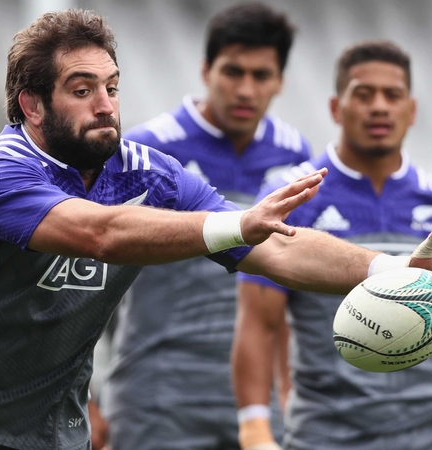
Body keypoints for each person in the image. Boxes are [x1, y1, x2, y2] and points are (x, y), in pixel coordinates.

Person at [0, 11, 432, 450]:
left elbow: (275, 250)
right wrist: (234, 224)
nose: (106, 105)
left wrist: (388, 270)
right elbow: (101, 235)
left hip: (51, 434)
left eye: (112, 87)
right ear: (30, 104)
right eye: (81, 90)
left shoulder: (149, 171)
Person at [233, 41, 432, 450]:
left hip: (427, 438)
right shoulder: (294, 196)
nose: (379, 107)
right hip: (324, 436)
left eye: (392, 95)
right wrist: (256, 431)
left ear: (410, 111)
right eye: (363, 94)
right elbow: (259, 322)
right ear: (335, 108)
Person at [99, 3, 308, 449]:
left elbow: (290, 285)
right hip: (157, 391)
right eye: (233, 71)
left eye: (261, 75)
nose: (246, 89)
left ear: (280, 81)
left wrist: (291, 391)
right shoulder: (146, 149)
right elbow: (90, 278)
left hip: (257, 397)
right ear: (206, 70)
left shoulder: (294, 154)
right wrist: (88, 395)